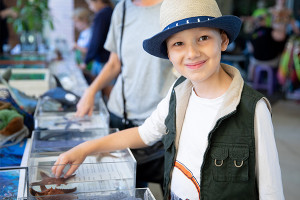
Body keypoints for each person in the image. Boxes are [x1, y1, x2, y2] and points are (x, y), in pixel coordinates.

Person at [53, 0, 285, 199]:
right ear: (169, 54)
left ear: (223, 41)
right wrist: (85, 148)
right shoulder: (178, 93)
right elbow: (143, 134)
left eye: (203, 37)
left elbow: (271, 191)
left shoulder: (254, 109)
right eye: (178, 44)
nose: (192, 53)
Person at [75, 0, 176, 188]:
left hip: (161, 123)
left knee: (170, 188)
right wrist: (90, 91)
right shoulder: (122, 9)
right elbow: (115, 63)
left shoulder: (177, 5)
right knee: (123, 189)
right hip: (120, 117)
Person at [82, 0, 113, 77]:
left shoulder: (102, 15)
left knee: (103, 87)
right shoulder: (111, 11)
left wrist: (86, 61)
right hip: (108, 57)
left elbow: (96, 40)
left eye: (90, 4)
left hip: (104, 60)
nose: (90, 7)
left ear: (99, 1)